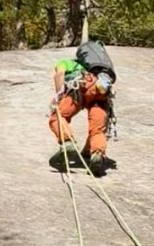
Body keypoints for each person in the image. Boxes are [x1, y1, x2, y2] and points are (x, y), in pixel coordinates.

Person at [48, 41, 115, 176]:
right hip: (101, 91)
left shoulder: (67, 62)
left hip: (81, 86)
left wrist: (59, 96)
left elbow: (59, 75)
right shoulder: (103, 71)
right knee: (97, 129)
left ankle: (68, 143)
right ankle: (96, 154)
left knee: (58, 117)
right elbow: (112, 88)